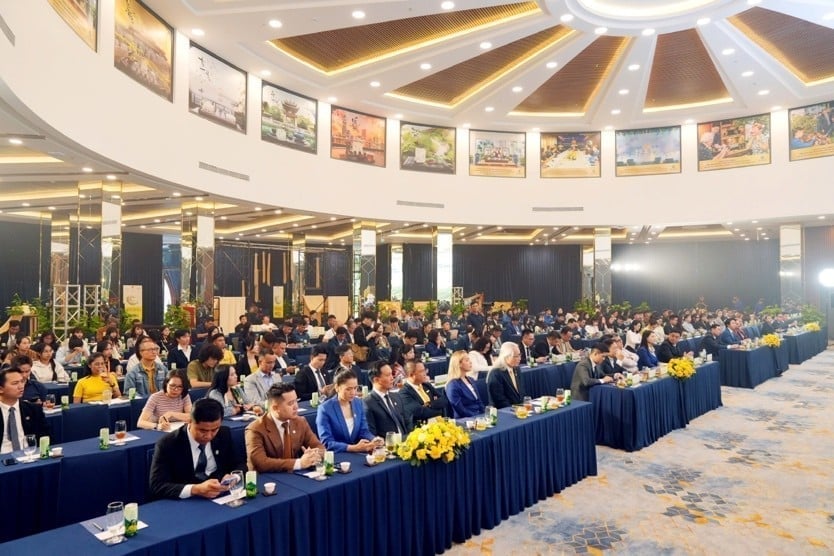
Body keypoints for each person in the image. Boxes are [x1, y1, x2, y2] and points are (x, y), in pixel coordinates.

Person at [149, 398, 246, 500]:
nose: (208, 436)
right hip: (186, 501)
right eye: (202, 430)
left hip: (219, 494)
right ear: (189, 421)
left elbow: (240, 464)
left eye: (214, 430)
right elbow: (157, 486)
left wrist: (234, 477)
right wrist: (195, 489)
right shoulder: (168, 444)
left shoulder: (224, 433)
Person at [245, 383, 324, 472]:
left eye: (296, 401)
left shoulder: (300, 422)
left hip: (293, 476)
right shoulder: (255, 429)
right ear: (275, 408)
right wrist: (299, 463)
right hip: (266, 479)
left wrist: (314, 455)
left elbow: (319, 447)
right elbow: (261, 463)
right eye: (290, 403)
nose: (296, 407)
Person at [316, 369, 380, 453]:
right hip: (338, 455)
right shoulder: (325, 409)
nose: (353, 392)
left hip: (358, 452)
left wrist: (374, 439)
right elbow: (327, 442)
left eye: (355, 388)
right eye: (348, 389)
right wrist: (352, 448)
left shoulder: (358, 403)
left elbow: (363, 431)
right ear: (337, 387)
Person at [0, 368, 49, 454]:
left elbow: (45, 435)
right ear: (1, 389)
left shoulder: (33, 409)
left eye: (22, 381)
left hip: (29, 455)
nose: (21, 386)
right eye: (15, 383)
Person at [364, 361, 408, 437]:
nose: (392, 378)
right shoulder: (367, 403)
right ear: (376, 380)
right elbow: (372, 435)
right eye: (388, 375)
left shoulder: (396, 396)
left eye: (392, 374)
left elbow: (406, 421)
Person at [399, 360, 449, 427]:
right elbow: (421, 412)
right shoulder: (404, 393)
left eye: (424, 370)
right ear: (411, 375)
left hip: (439, 423)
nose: (425, 373)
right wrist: (440, 411)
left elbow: (444, 400)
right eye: (421, 371)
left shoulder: (426, 385)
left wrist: (430, 404)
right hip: (421, 429)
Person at [445, 351, 485, 419]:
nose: (470, 362)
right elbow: (460, 410)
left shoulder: (471, 379)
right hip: (465, 420)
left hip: (478, 416)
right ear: (459, 364)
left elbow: (479, 401)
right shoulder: (452, 385)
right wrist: (477, 416)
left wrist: (484, 413)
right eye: (467, 360)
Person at [486, 342, 525, 409]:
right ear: (506, 356)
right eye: (516, 356)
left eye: (520, 355)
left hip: (519, 408)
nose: (519, 358)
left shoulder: (517, 369)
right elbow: (499, 400)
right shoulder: (496, 373)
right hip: (504, 411)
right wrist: (515, 409)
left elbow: (521, 392)